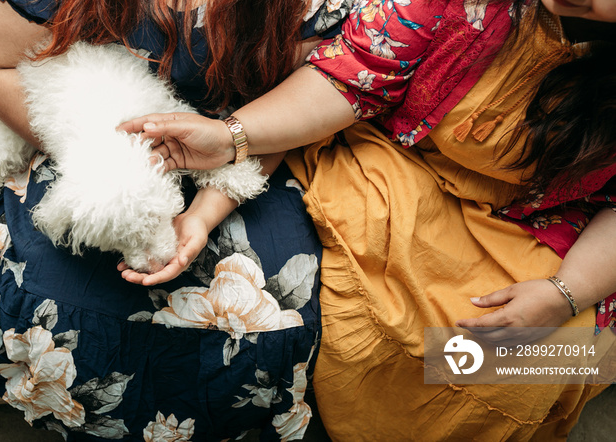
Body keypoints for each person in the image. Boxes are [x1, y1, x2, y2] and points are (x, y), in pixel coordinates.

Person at [115, 0, 616, 440]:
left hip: (558, 232)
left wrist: (563, 293)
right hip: (398, 171)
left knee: (531, 367)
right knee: (390, 345)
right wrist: (229, 138)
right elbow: (346, 76)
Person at [0, 1, 351, 441]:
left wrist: (204, 212)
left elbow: (294, 104)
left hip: (250, 141)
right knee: (70, 316)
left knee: (273, 327)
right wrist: (110, 156)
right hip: (100, 144)